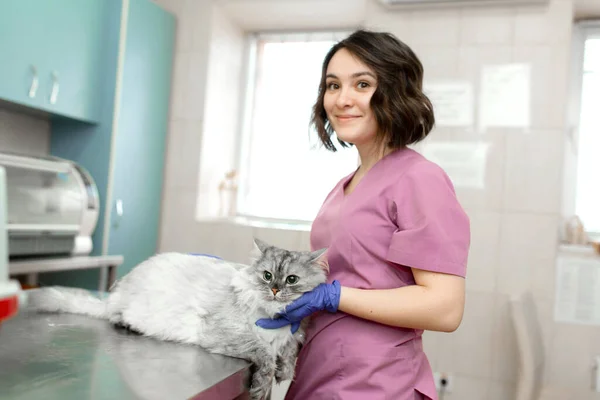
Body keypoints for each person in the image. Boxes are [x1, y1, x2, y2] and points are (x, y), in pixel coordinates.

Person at [256, 29, 470, 400]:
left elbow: (445, 308)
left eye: (362, 84)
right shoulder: (347, 183)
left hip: (375, 384)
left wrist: (335, 297)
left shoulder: (420, 178)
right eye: (333, 85)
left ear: (395, 92)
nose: (342, 99)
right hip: (322, 373)